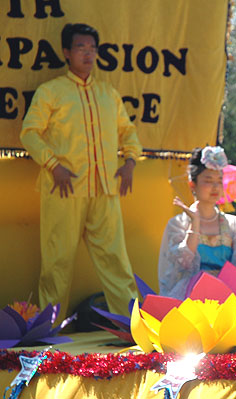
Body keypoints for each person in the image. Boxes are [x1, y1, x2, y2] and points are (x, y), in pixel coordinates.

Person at [20, 23, 141, 317]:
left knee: (116, 261)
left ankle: (132, 327)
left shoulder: (108, 94)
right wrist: (53, 166)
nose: (88, 55)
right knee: (57, 262)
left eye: (92, 49)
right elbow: (29, 133)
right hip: (64, 188)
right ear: (66, 53)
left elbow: (128, 132)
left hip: (105, 188)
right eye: (80, 48)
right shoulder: (52, 91)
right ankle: (49, 330)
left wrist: (130, 162)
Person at [158, 146, 236, 300]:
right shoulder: (179, 224)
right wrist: (195, 224)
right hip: (191, 298)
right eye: (208, 180)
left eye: (219, 181)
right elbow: (182, 265)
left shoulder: (233, 224)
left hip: (227, 297)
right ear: (192, 184)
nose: (215, 187)